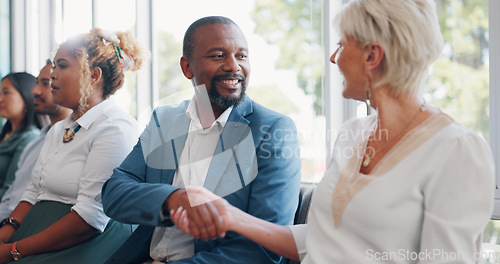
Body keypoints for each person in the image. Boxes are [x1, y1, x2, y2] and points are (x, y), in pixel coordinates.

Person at [170, 1, 495, 263]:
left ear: (372, 55)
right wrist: (231, 216)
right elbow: (320, 241)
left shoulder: (457, 150)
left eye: (342, 45)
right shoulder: (352, 134)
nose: (333, 57)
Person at [101, 16, 301, 264]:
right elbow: (113, 193)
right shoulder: (164, 120)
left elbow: (267, 248)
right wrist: (171, 200)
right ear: (187, 68)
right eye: (218, 56)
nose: (233, 66)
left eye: (241, 56)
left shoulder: (272, 130)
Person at [0, 28, 147, 264]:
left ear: (93, 76)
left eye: (62, 65)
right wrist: (5, 234)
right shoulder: (59, 129)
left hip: (84, 246)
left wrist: (12, 250)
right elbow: (33, 192)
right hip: (36, 235)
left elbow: (89, 219)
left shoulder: (115, 128)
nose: (53, 75)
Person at [0, 60, 72, 219]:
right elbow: (13, 198)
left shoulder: (32, 139)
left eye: (46, 83)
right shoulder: (35, 144)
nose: (35, 91)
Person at [0, 72, 41, 199]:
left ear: (26, 96)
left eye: (6, 92)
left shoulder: (30, 138)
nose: (0, 98)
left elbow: (10, 190)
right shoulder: (6, 134)